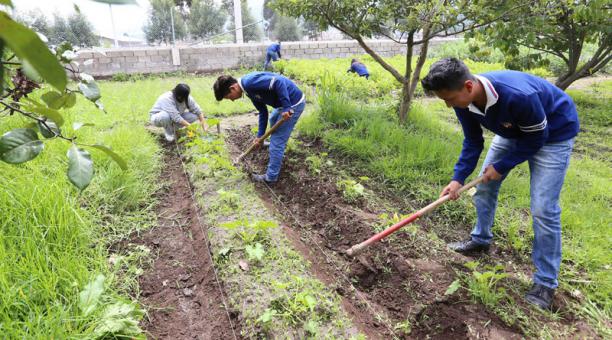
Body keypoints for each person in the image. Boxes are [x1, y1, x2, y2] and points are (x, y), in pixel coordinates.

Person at [421, 58, 579, 310]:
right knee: (484, 186)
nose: (449, 105)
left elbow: (537, 138)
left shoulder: (518, 96)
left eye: (449, 99)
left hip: (553, 134)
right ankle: (480, 240)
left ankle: (545, 283)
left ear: (469, 86)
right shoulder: (464, 102)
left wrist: (502, 166)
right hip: (515, 130)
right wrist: (457, 178)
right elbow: (473, 141)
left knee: (543, 208)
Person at [213, 72, 305, 183]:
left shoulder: (249, 83)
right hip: (281, 105)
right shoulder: (248, 90)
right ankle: (272, 145)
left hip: (293, 104)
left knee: (277, 142)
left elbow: (278, 81)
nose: (232, 100)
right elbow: (262, 111)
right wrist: (260, 136)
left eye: (229, 97)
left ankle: (270, 178)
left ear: (232, 88)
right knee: (272, 119)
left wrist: (286, 107)